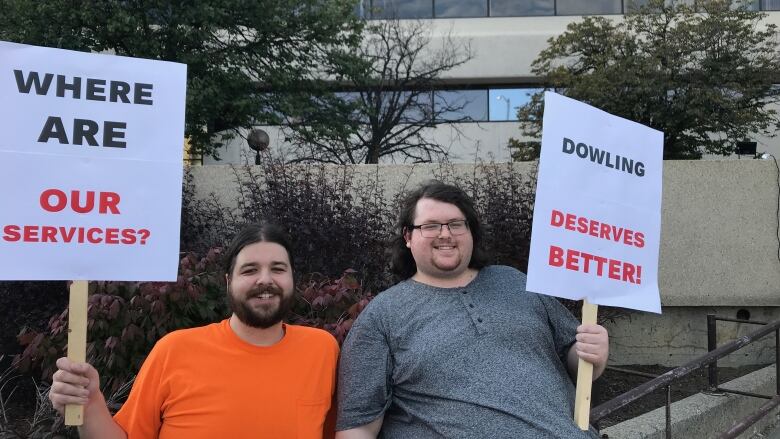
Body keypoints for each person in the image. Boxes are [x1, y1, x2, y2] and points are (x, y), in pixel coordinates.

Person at [336, 181, 609, 439]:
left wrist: (593, 354)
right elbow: (358, 427)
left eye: (456, 224)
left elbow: (575, 356)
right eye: (430, 226)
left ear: (470, 232)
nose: (445, 234)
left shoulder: (516, 282)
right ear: (408, 236)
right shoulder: (381, 317)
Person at [49, 222, 339, 439]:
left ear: (291, 278)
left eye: (278, 268)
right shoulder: (175, 350)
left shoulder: (322, 350)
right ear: (228, 281)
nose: (265, 280)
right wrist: (89, 404)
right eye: (249, 270)